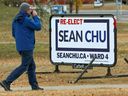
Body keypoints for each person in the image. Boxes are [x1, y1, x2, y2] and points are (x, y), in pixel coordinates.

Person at [0, 2, 43, 91]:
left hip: (21, 46)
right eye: (31, 9)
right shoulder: (26, 20)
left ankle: (34, 86)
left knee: (31, 66)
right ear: (26, 10)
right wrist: (35, 16)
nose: (32, 11)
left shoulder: (15, 20)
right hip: (27, 47)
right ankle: (7, 82)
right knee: (24, 66)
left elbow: (13, 33)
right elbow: (38, 27)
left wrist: (21, 40)